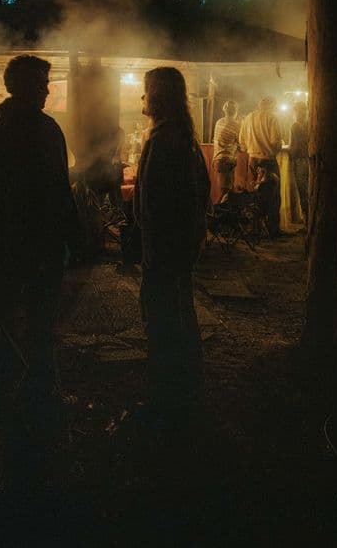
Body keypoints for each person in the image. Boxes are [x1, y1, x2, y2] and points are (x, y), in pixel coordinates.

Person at [0, 55, 78, 416]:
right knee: (40, 320)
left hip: (2, 242)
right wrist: (73, 237)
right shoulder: (44, 130)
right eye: (43, 84)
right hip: (40, 243)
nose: (47, 90)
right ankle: (41, 395)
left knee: (7, 307)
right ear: (25, 86)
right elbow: (59, 189)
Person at [133, 66, 210, 423]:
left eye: (146, 91)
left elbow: (153, 205)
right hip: (177, 250)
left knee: (163, 321)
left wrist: (151, 245)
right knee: (179, 315)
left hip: (163, 251)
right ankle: (185, 392)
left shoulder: (164, 141)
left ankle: (168, 401)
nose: (142, 98)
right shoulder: (184, 138)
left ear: (159, 97)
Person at [239, 96, 283, 237]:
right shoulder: (272, 118)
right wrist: (276, 149)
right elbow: (275, 141)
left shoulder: (248, 118)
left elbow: (242, 142)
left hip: (252, 161)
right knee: (273, 197)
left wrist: (252, 148)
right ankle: (273, 230)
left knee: (253, 196)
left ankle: (254, 229)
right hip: (268, 161)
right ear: (271, 106)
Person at [212, 99, 241, 202]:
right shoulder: (237, 125)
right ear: (236, 111)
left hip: (217, 160)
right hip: (226, 160)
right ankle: (214, 214)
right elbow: (241, 145)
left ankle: (219, 215)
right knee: (225, 193)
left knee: (226, 192)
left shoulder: (218, 122)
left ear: (224, 110)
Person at [289, 101, 309, 225]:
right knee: (309, 189)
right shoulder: (311, 123)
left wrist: (291, 154)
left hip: (300, 160)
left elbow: (295, 146)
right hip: (309, 159)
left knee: (303, 190)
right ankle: (310, 219)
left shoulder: (295, 126)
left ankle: (307, 221)